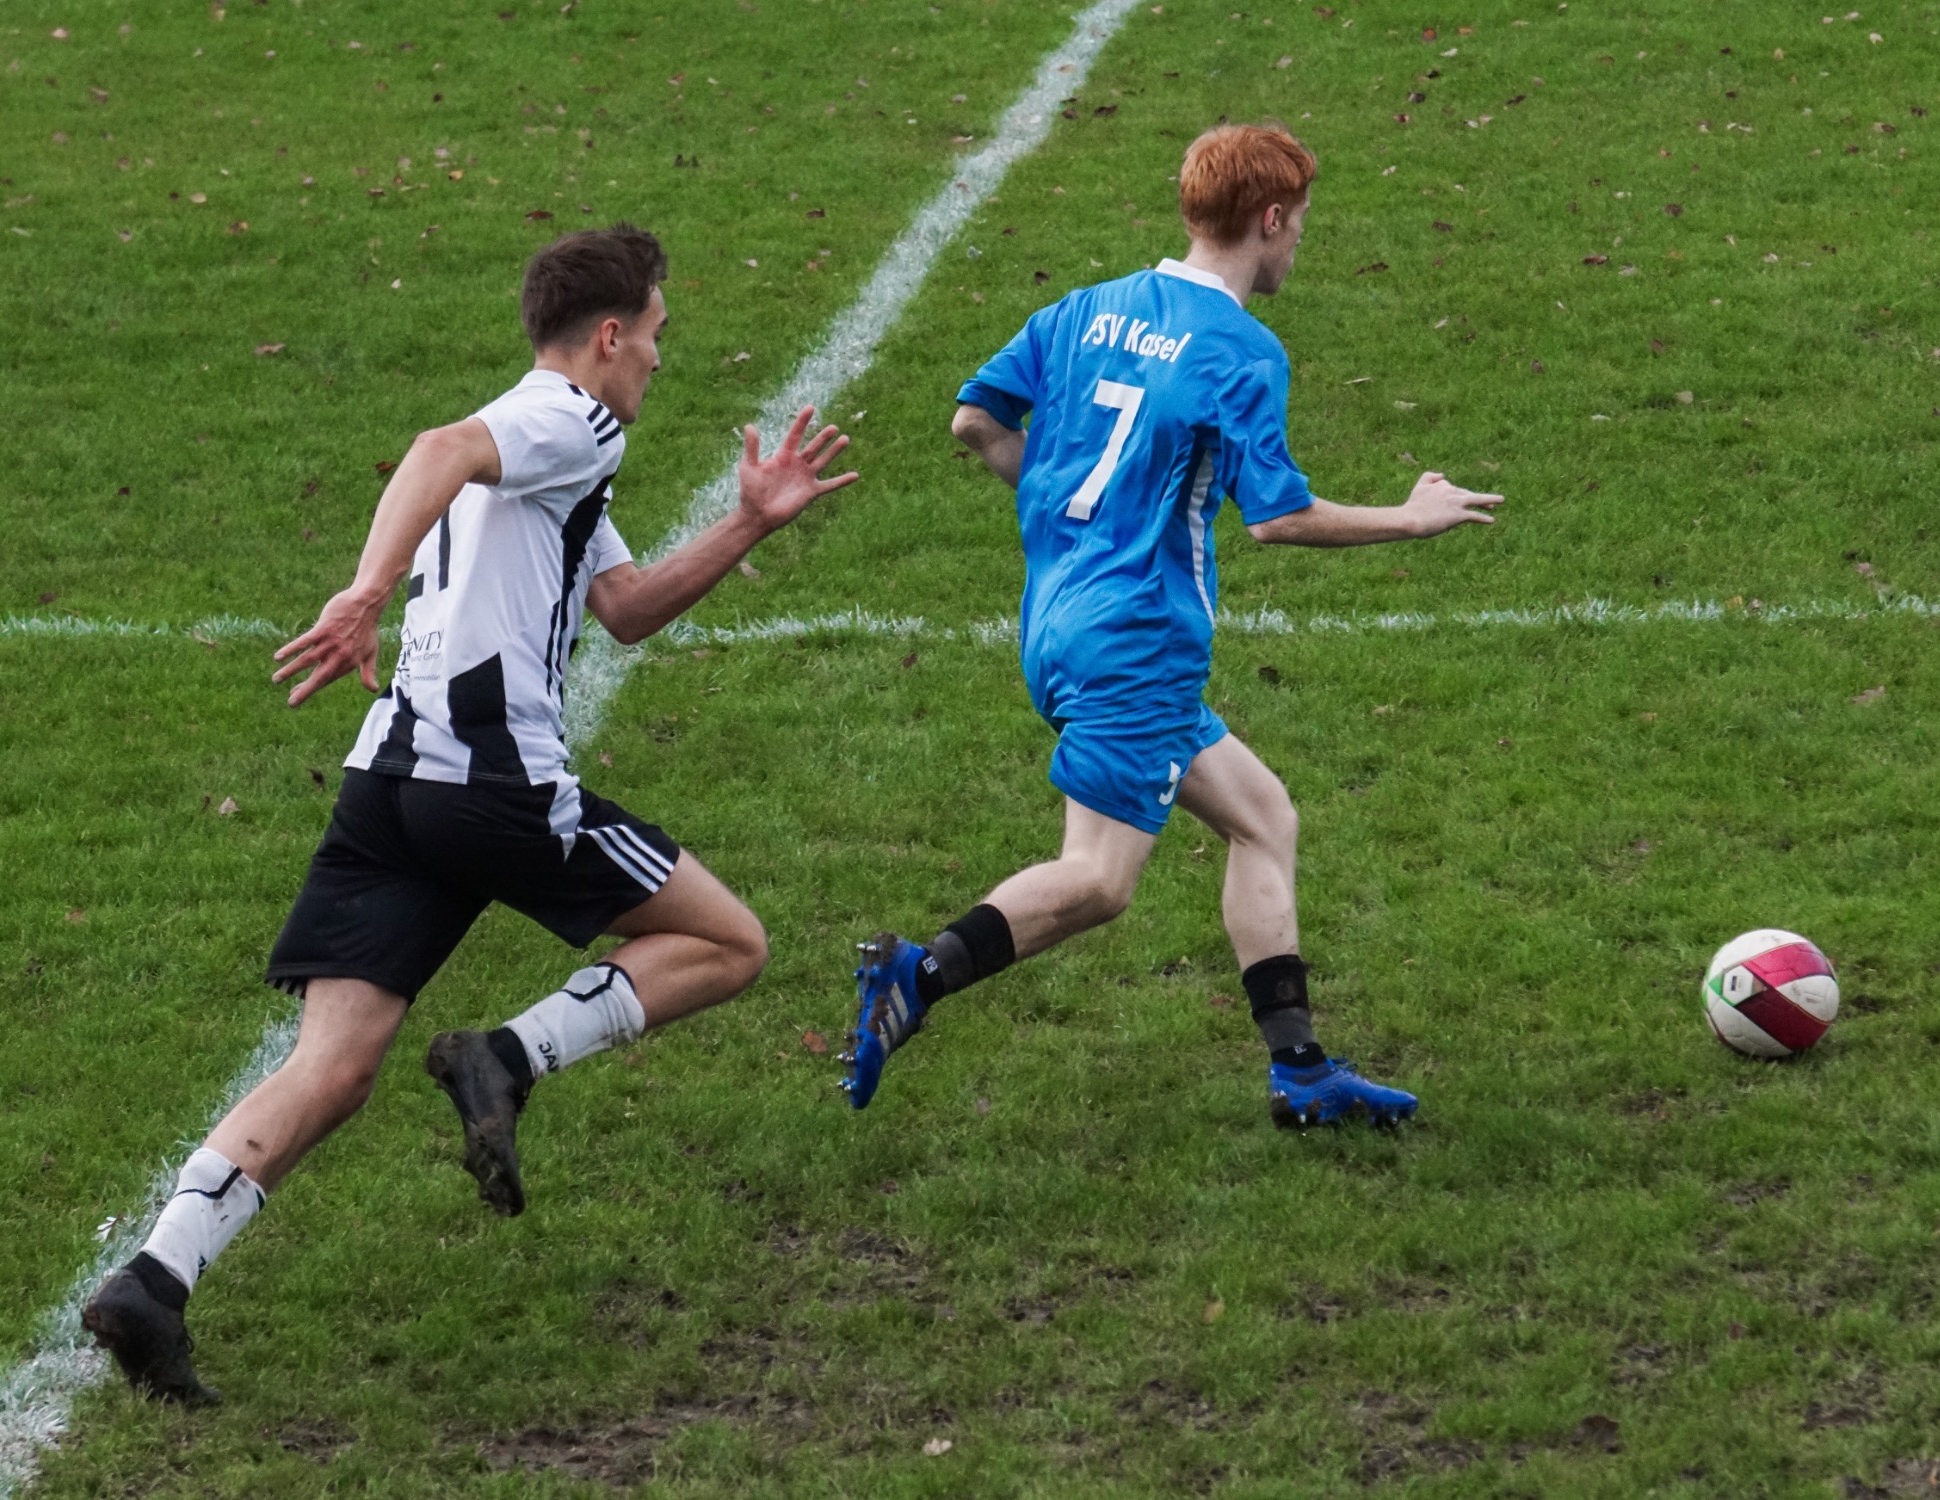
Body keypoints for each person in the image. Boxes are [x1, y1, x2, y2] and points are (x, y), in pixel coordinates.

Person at [82, 224, 857, 1403]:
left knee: (335, 1065)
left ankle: (154, 1281)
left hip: (388, 786)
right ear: (608, 337)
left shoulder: (539, 448)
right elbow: (434, 448)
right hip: (492, 784)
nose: (660, 359)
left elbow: (626, 607)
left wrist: (749, 520)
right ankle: (504, 1056)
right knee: (728, 942)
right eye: (656, 335)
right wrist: (363, 593)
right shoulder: (568, 419)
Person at [840, 124, 1500, 1129]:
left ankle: (1300, 1070)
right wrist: (1410, 517)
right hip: (1139, 638)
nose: (1298, 242)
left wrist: (1071, 510)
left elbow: (974, 420)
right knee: (1099, 880)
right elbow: (1277, 518)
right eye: (1298, 224)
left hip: (1055, 620)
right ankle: (916, 974)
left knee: (1262, 816)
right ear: (1267, 219)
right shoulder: (1240, 349)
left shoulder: (1082, 309)